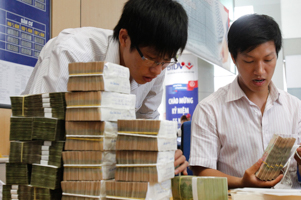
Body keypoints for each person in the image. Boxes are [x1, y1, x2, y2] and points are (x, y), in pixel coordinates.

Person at [22, 0, 189, 175]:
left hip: (109, 176)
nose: (157, 70)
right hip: (53, 171)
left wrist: (164, 153)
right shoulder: (72, 51)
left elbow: (147, 123)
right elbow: (42, 129)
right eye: (151, 59)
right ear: (124, 38)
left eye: (165, 62)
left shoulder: (156, 68)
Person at [189, 14, 301, 189]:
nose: (260, 70)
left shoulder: (295, 108)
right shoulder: (210, 109)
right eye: (249, 61)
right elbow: (202, 172)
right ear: (234, 58)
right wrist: (242, 183)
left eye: (268, 60)